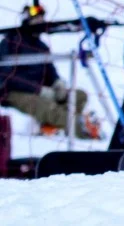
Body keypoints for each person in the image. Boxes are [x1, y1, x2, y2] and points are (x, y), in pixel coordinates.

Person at [0, 7, 95, 139]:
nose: (40, 22)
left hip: (43, 91)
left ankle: (54, 126)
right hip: (14, 93)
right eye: (36, 19)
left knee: (79, 95)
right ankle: (81, 129)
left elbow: (50, 70)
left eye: (42, 19)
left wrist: (58, 83)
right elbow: (7, 76)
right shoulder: (10, 42)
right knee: (49, 108)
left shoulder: (41, 46)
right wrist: (38, 90)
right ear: (27, 20)